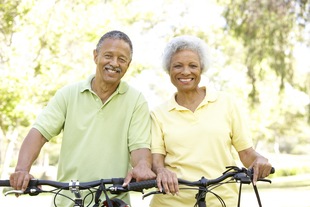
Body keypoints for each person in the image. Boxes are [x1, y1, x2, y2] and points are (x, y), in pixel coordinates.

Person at [9, 30, 156, 207]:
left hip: (113, 202)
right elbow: (39, 133)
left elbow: (139, 146)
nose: (114, 63)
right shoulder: (68, 94)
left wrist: (142, 165)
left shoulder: (136, 100)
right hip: (68, 200)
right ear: (95, 56)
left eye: (122, 59)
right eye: (108, 56)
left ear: (128, 64)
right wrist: (22, 170)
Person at [150, 35, 273, 207]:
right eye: (178, 66)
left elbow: (246, 153)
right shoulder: (158, 114)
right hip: (171, 201)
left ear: (202, 69)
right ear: (168, 70)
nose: (185, 72)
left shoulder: (226, 103)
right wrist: (162, 172)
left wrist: (259, 160)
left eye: (193, 66)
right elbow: (156, 162)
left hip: (221, 200)